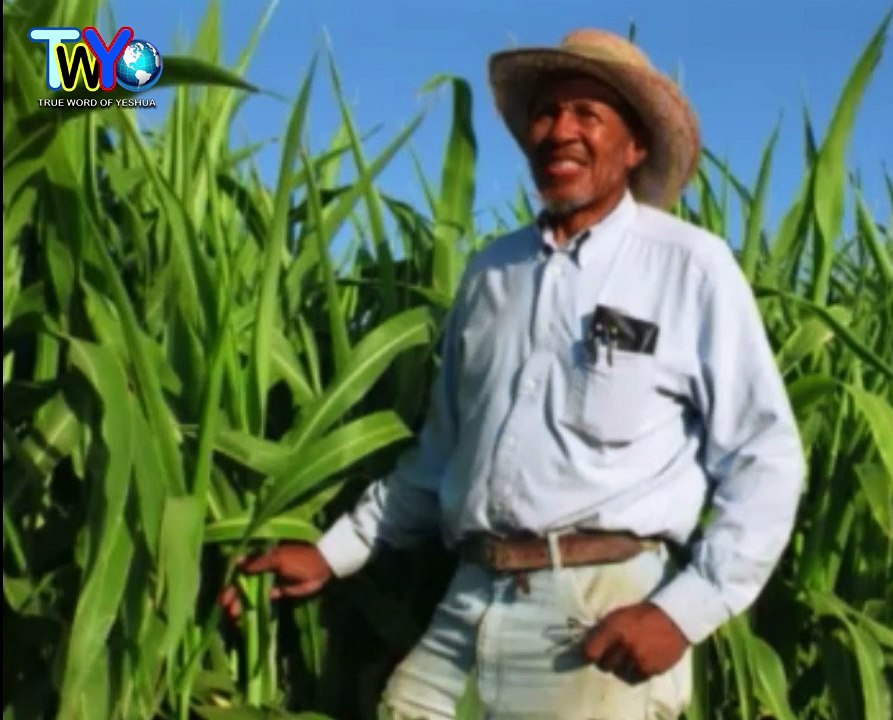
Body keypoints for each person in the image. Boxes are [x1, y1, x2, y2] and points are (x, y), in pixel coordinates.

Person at [221, 28, 806, 719]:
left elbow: (765, 456)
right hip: (471, 594)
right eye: (547, 113)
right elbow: (441, 459)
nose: (561, 130)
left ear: (636, 145)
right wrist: (331, 553)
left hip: (598, 609)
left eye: (588, 114)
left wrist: (683, 612)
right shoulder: (490, 274)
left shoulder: (688, 267)